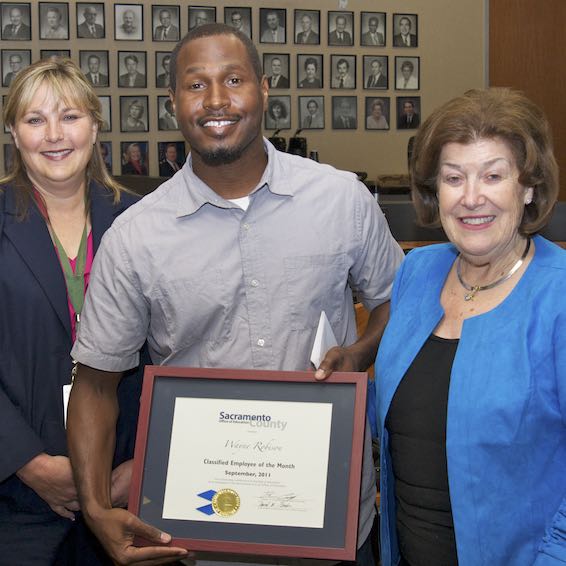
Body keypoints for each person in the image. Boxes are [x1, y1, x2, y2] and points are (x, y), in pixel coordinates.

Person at [68, 22, 404, 566]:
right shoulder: (135, 236)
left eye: (233, 80)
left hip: (331, 518)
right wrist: (93, 507)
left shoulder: (342, 200)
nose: (216, 101)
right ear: (173, 101)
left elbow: (397, 303)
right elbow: (95, 383)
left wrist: (358, 353)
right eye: (196, 85)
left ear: (264, 89)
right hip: (193, 537)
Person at [375, 88, 566, 565]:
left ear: (528, 187)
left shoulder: (558, 298)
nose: (471, 197)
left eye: (493, 175)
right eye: (453, 178)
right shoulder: (418, 273)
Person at [0, 56, 144, 565]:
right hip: (17, 502)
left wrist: (143, 462)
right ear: (14, 135)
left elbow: (181, 349)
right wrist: (27, 462)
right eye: (35, 120)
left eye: (70, 116)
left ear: (96, 126)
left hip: (129, 485)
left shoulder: (143, 221)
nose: (54, 135)